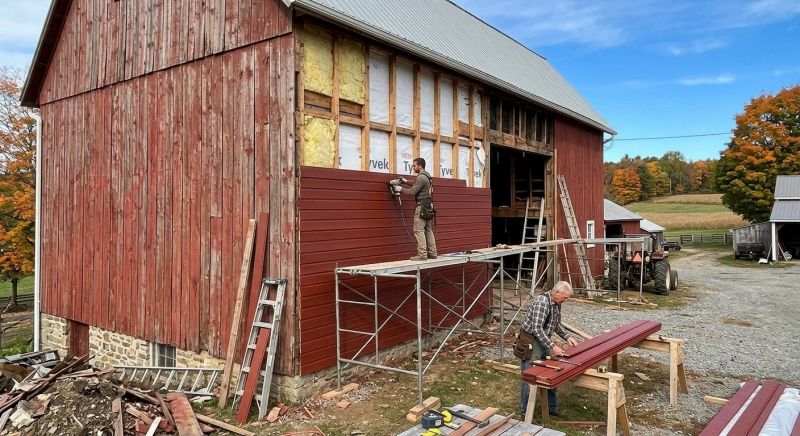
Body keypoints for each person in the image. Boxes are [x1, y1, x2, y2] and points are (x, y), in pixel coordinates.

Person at [519, 281, 578, 417]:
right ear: (556, 292)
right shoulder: (542, 302)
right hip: (531, 340)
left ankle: (552, 408)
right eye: (565, 297)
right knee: (529, 376)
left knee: (552, 373)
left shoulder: (557, 304)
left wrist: (567, 337)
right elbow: (537, 329)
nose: (566, 300)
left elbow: (556, 324)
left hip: (543, 340)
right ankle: (524, 412)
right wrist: (553, 346)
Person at [399, 158, 438, 261]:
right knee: (428, 230)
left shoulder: (421, 178)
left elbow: (412, 192)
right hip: (429, 206)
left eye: (414, 166)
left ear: (420, 166)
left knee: (418, 230)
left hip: (421, 207)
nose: (413, 167)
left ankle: (422, 255)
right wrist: (406, 181)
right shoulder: (427, 176)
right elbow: (417, 183)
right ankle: (433, 253)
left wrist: (400, 189)